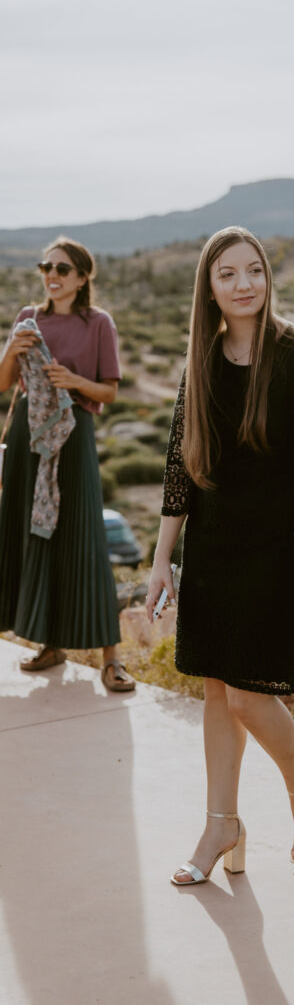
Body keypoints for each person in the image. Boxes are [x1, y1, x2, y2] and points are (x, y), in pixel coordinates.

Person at [146, 226, 294, 885]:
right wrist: (160, 562)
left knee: (249, 696)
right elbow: (180, 464)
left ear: (267, 275)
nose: (242, 284)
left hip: (277, 550)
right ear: (209, 286)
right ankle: (220, 823)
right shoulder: (200, 360)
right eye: (226, 274)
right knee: (214, 689)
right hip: (212, 544)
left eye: (252, 269)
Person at [0, 236, 135, 692]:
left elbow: (109, 391)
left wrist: (74, 380)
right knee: (27, 532)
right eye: (46, 267)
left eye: (62, 269)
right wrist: (10, 352)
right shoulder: (27, 319)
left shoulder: (99, 324)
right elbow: (4, 384)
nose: (52, 276)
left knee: (83, 537)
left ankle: (111, 659)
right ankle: (50, 643)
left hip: (74, 438)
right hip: (27, 437)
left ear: (81, 277)